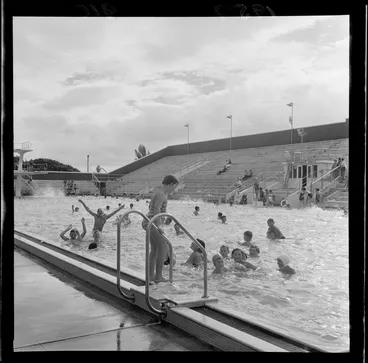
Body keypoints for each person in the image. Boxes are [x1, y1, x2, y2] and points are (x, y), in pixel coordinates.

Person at [141, 175, 179, 283]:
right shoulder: (162, 194)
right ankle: (158, 276)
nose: (174, 189)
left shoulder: (158, 192)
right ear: (170, 184)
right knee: (163, 248)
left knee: (155, 249)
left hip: (148, 221)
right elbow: (157, 209)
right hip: (153, 222)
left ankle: (150, 276)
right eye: (174, 187)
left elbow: (152, 208)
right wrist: (159, 225)